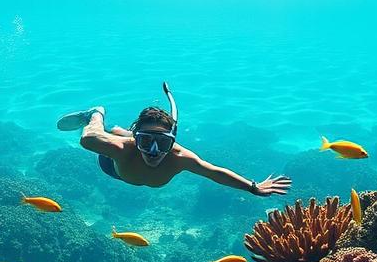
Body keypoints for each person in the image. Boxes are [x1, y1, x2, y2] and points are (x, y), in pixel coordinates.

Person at [56, 83, 291, 196]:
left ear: (173, 142)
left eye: (164, 143)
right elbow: (89, 137)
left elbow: (214, 172)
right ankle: (98, 112)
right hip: (113, 166)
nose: (155, 151)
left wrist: (252, 187)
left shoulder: (179, 157)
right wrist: (95, 118)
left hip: (131, 145)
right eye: (146, 142)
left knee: (134, 137)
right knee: (112, 134)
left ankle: (128, 131)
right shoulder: (120, 149)